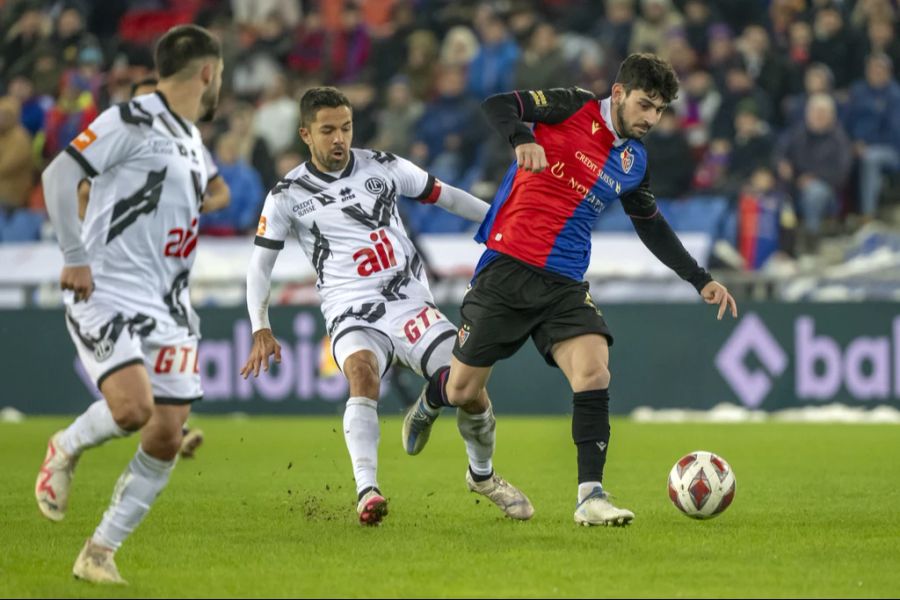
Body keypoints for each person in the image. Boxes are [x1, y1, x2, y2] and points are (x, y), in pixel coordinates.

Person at [403, 53, 738, 527]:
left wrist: (699, 278)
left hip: (564, 283)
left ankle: (590, 496)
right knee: (462, 391)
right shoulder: (572, 106)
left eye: (660, 110)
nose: (651, 119)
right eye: (645, 105)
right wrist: (522, 138)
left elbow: (651, 225)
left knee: (594, 370)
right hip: (507, 270)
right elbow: (499, 104)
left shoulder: (633, 160)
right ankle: (432, 397)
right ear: (618, 93)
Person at [240, 87, 532, 526]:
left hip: (409, 302)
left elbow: (446, 195)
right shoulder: (286, 195)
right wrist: (260, 325)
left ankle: (482, 475)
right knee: (362, 374)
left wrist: (502, 222)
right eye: (327, 131)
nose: (339, 138)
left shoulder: (383, 166)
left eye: (345, 127)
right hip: (350, 310)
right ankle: (367, 490)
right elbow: (260, 266)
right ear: (305, 134)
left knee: (469, 391)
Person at [35, 25, 223, 583]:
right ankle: (64, 447)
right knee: (132, 411)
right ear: (208, 72)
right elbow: (59, 172)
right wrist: (74, 254)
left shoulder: (192, 139)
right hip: (107, 290)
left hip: (169, 307)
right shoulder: (130, 118)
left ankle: (99, 552)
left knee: (165, 434)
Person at [75, 75, 230, 459]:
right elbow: (80, 188)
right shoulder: (119, 138)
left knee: (162, 356)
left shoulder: (186, 143)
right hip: (118, 273)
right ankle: (162, 427)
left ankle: (168, 427)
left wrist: (197, 205)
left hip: (163, 274)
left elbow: (220, 191)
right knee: (136, 363)